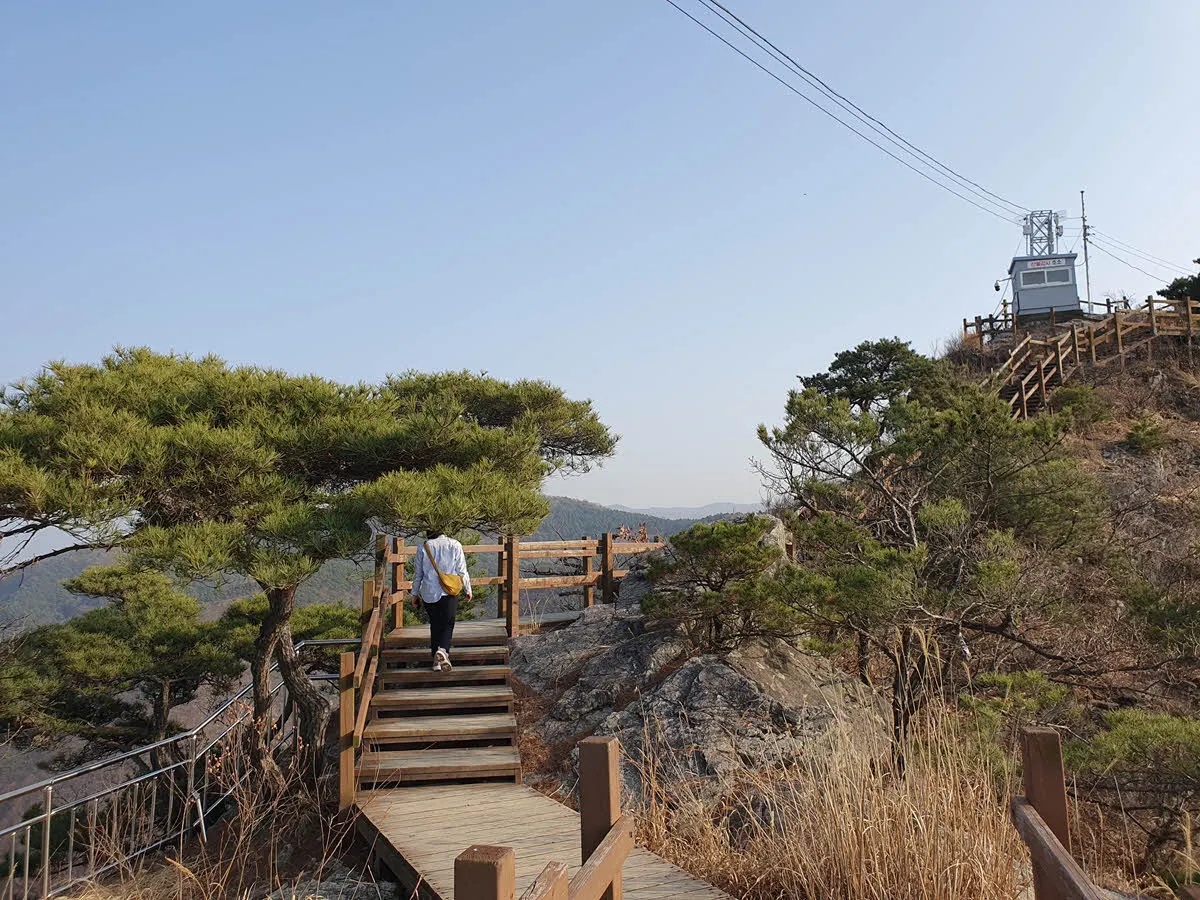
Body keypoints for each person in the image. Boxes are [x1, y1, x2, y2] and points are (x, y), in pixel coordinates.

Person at [410, 530, 472, 672]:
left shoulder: (423, 547)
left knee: (435, 624)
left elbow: (418, 574)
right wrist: (468, 589)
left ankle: (436, 662)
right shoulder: (455, 544)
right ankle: (443, 650)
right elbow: (462, 570)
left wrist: (414, 594)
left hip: (428, 592)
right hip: (448, 590)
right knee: (448, 623)